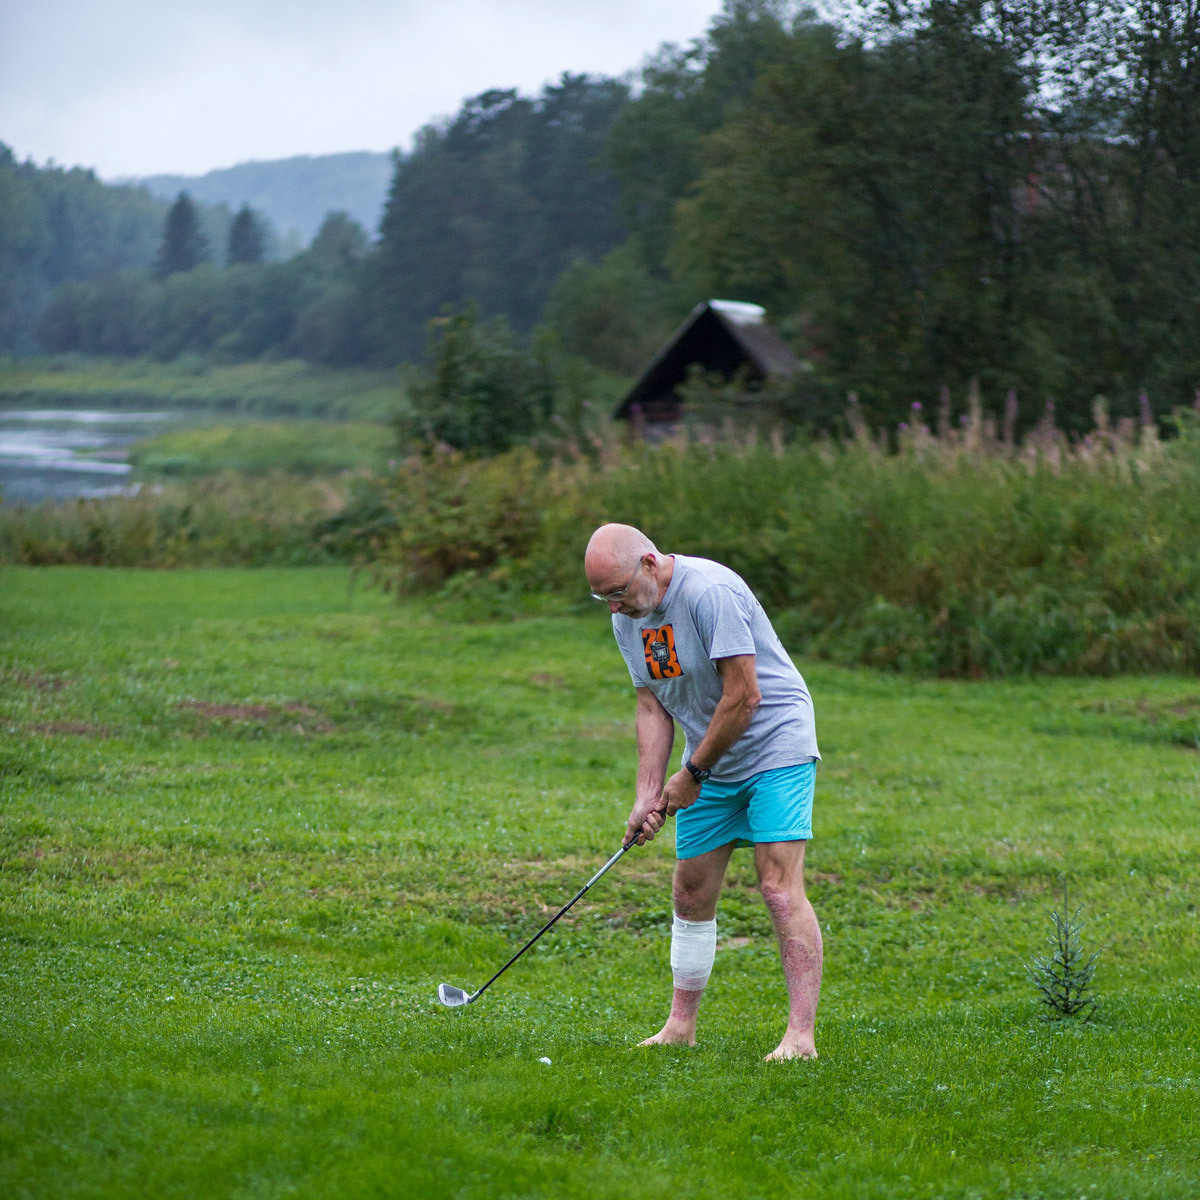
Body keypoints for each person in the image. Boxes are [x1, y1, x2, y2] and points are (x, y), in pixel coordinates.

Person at [584, 522, 822, 1061]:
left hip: (773, 745)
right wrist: (648, 793)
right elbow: (652, 704)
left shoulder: (709, 592)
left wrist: (690, 774)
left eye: (618, 593)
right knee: (690, 892)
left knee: (779, 888)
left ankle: (799, 1038)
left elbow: (745, 695)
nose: (614, 609)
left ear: (648, 563)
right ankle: (679, 1027)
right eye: (602, 598)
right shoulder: (630, 615)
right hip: (708, 755)